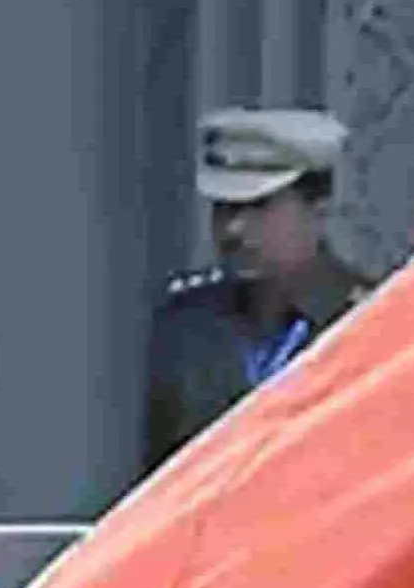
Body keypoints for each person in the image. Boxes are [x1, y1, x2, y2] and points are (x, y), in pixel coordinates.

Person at [143, 107, 373, 476]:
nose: (234, 229)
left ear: (319, 210)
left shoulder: (368, 323)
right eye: (224, 208)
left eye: (258, 206)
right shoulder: (188, 324)